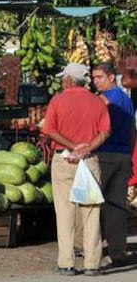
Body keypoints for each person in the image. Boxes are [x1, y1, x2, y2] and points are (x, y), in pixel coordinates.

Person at [43, 62, 110, 276]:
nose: (63, 81)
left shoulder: (58, 100)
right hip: (89, 159)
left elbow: (50, 130)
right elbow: (105, 132)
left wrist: (73, 147)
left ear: (69, 80)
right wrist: (86, 148)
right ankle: (92, 264)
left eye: (64, 78)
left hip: (64, 160)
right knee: (91, 211)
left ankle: (66, 263)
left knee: (65, 212)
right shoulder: (98, 102)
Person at [92, 62, 134, 266]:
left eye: (99, 77)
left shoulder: (105, 99)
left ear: (111, 78)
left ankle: (94, 249)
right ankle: (118, 252)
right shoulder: (126, 100)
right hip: (123, 156)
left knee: (95, 203)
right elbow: (132, 130)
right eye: (93, 78)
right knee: (116, 205)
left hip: (106, 154)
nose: (96, 81)